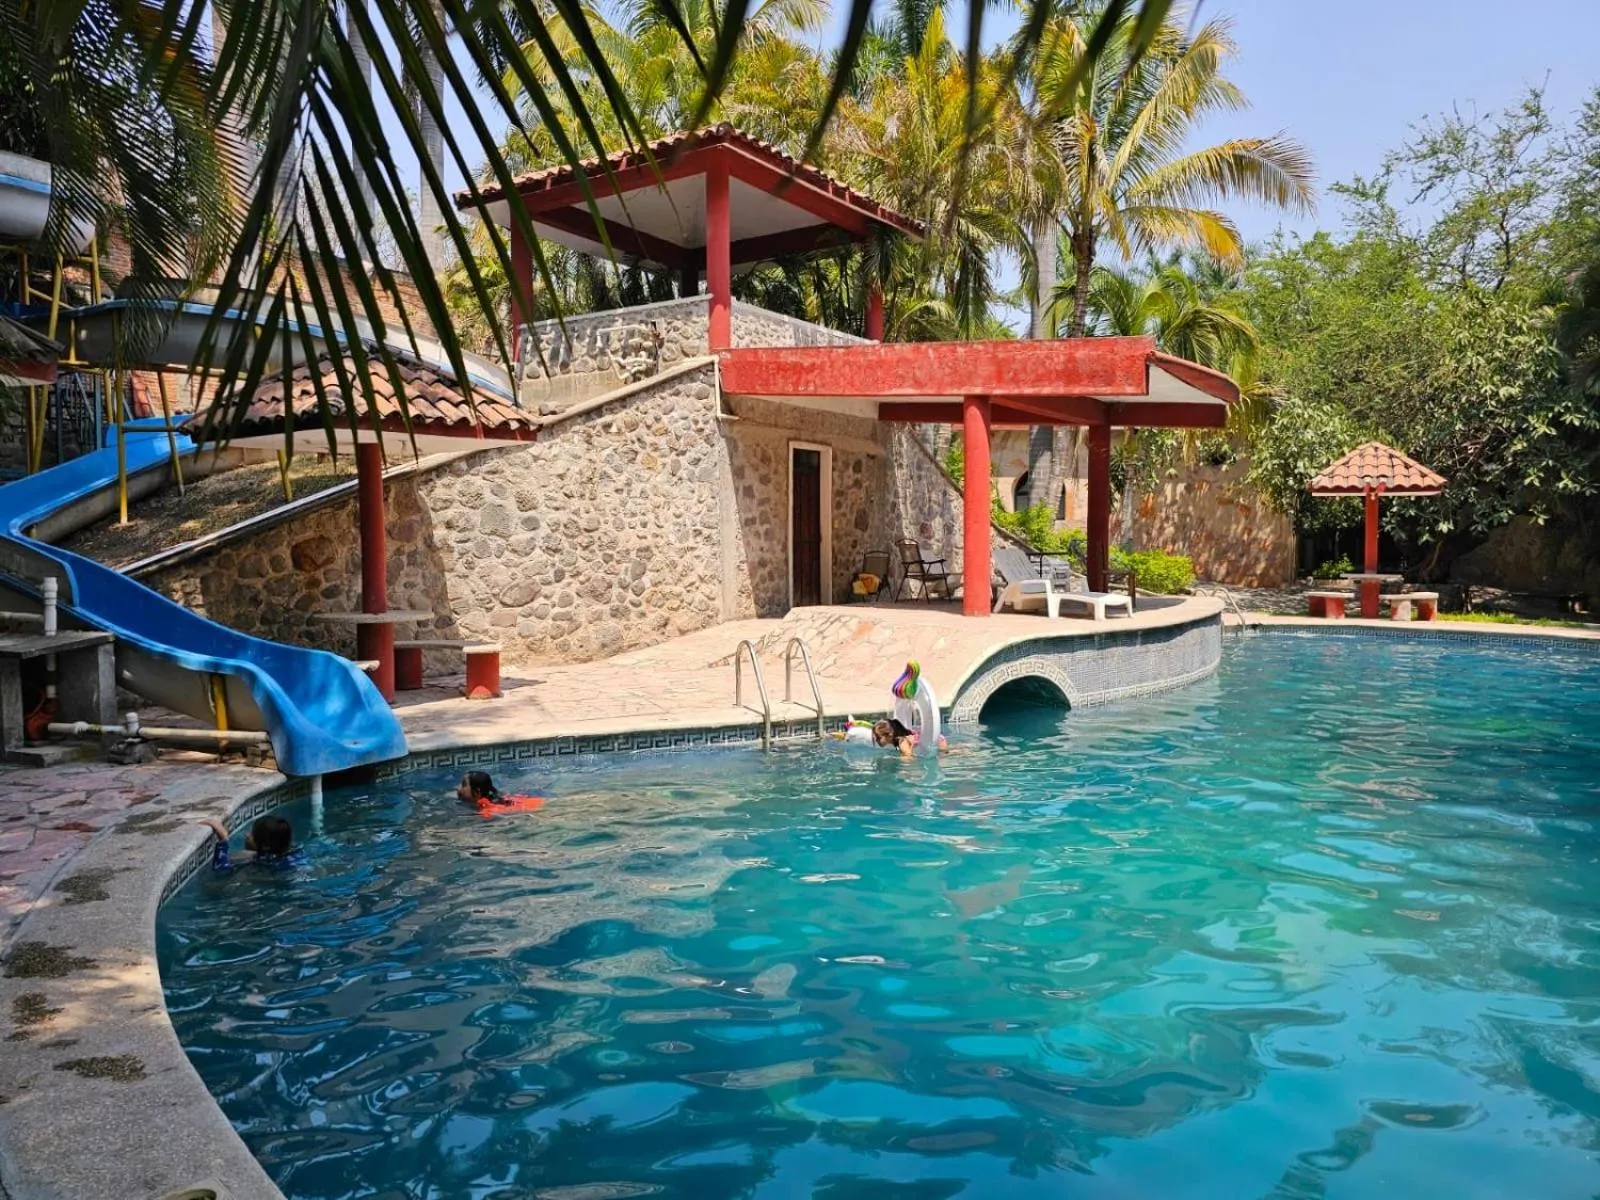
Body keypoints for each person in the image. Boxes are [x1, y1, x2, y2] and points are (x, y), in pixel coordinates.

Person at [198, 814, 304, 872]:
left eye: (252, 835)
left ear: (266, 846)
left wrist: (223, 840)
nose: (247, 835)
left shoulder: (263, 863)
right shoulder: (294, 853)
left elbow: (220, 870)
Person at [457, 770, 544, 818]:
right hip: (535, 802)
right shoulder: (497, 796)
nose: (459, 789)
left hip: (537, 809)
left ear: (477, 792)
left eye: (463, 785)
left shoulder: (486, 809)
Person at [872, 718, 949, 758]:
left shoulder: (902, 742)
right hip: (935, 738)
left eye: (878, 737)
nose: (876, 740)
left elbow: (910, 759)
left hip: (937, 741)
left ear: (889, 735)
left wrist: (911, 745)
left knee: (945, 755)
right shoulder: (897, 740)